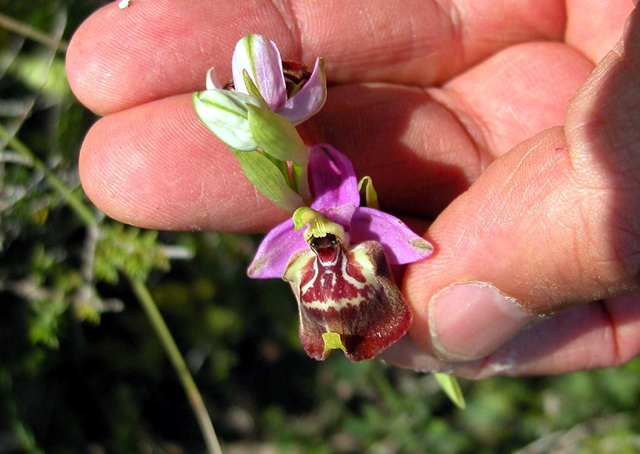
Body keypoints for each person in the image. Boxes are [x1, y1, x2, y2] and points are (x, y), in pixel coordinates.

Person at [66, 0, 640, 378]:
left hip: (331, 205)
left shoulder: (343, 216)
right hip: (315, 201)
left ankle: (357, 331)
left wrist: (321, 231)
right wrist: (313, 233)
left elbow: (394, 239)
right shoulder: (313, 221)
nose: (318, 242)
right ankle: (342, 333)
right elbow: (276, 254)